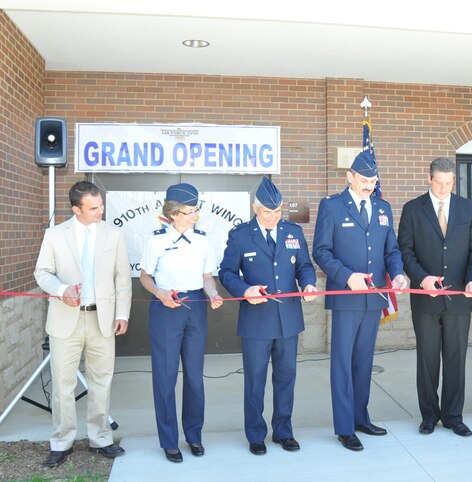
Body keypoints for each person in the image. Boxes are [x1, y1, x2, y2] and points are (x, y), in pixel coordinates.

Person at [312, 152, 407, 452]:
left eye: (373, 181)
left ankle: (360, 417)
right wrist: (346, 275)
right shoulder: (332, 206)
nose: (369, 186)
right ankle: (344, 428)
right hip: (345, 297)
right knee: (342, 363)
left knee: (364, 362)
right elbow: (321, 251)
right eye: (364, 180)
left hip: (373, 297)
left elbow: (390, 249)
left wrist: (399, 274)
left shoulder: (383, 207)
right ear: (349, 177)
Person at [34, 181, 132, 468]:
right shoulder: (54, 235)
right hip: (65, 321)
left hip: (103, 320)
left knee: (101, 381)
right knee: (63, 385)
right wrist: (62, 289)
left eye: (101, 204)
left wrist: (122, 314)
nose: (101, 210)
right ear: (76, 209)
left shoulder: (114, 234)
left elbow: (122, 278)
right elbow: (42, 272)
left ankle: (100, 438)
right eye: (93, 207)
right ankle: (61, 442)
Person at [219, 177, 317, 455]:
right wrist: (245, 289)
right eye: (267, 212)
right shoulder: (240, 235)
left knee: (286, 378)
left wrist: (308, 283)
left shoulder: (293, 232)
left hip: (288, 320)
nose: (273, 217)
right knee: (255, 381)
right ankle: (256, 434)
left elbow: (305, 266)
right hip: (256, 321)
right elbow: (227, 272)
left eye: (277, 212)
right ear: (255, 208)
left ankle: (283, 431)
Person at [397, 157, 472, 437]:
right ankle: (429, 416)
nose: (444, 188)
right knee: (427, 360)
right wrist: (421, 278)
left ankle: (453, 416)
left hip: (460, 298)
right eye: (439, 182)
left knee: (456, 359)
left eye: (449, 183)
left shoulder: (469, 209)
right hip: (425, 299)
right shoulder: (412, 209)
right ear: (429, 178)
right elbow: (405, 251)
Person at [139, 183, 223, 463]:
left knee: (195, 378)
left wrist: (212, 294)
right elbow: (145, 277)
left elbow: (207, 277)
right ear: (173, 213)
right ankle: (168, 441)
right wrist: (160, 294)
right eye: (189, 212)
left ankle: (194, 435)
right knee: (164, 378)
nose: (195, 216)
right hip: (166, 308)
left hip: (196, 307)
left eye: (197, 210)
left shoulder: (202, 241)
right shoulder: (156, 241)